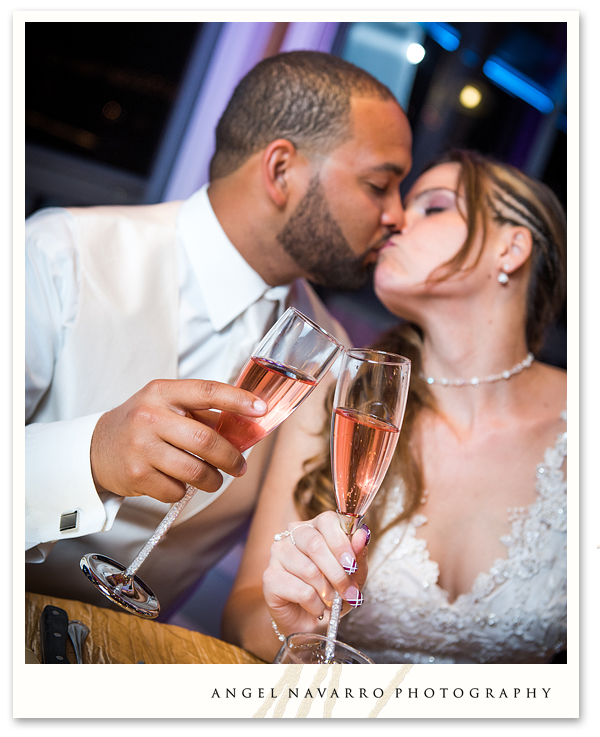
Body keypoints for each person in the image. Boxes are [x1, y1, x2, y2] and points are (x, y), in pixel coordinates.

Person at [25, 51, 413, 611]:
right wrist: (92, 453)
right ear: (280, 171)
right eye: (380, 185)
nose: (397, 215)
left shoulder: (327, 364)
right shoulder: (63, 254)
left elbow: (262, 589)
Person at [222, 149, 567, 664]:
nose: (397, 220)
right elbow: (244, 616)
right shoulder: (342, 402)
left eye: (433, 207)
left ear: (512, 247)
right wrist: (290, 622)